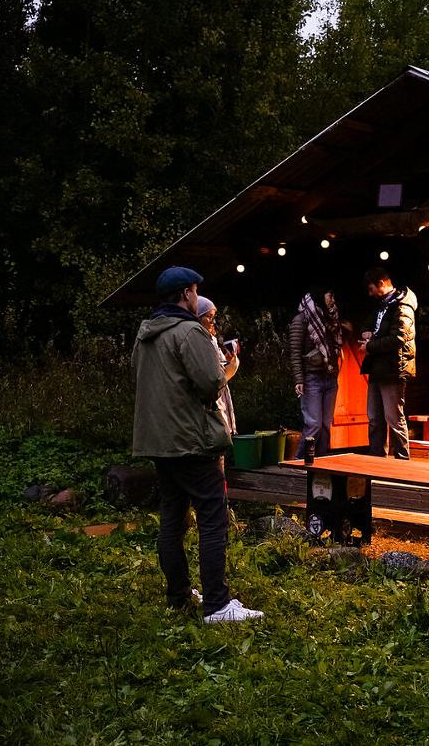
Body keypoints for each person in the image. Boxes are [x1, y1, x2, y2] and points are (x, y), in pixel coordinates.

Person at [131, 266, 263, 624]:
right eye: (193, 291)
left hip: (158, 441)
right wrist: (225, 368)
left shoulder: (145, 335)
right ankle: (218, 605)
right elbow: (210, 382)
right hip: (191, 440)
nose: (195, 296)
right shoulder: (188, 331)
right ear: (187, 294)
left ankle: (177, 594)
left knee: (172, 519)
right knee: (212, 519)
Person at [360, 266, 416, 460]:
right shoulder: (381, 304)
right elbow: (370, 323)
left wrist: (370, 346)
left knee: (394, 419)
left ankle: (401, 461)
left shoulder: (402, 305)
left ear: (381, 283)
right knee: (374, 418)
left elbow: (399, 338)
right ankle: (376, 458)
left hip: (393, 369)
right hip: (377, 368)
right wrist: (366, 331)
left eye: (371, 289)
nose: (370, 294)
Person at [289, 288, 342, 459]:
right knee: (314, 424)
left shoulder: (331, 319)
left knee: (326, 425)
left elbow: (336, 345)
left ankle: (320, 461)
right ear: (320, 297)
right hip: (312, 378)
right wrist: (299, 379)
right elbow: (295, 352)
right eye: (329, 296)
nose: (332, 300)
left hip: (330, 377)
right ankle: (300, 461)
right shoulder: (302, 319)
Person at [195, 295, 239, 438]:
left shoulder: (211, 339)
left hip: (221, 397)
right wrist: (229, 371)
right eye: (209, 316)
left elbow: (218, 364)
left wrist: (227, 360)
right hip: (210, 405)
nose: (213, 321)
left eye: (214, 316)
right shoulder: (197, 341)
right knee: (216, 439)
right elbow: (210, 376)